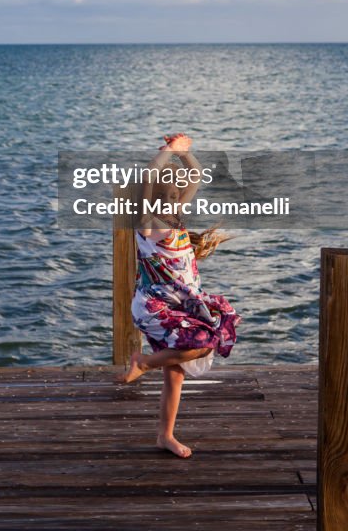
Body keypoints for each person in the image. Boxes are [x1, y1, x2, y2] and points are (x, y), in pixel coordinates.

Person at [115, 133, 240, 458]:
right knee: (201, 344)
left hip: (181, 306)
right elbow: (148, 176)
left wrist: (184, 153)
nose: (177, 195)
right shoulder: (146, 223)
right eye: (170, 191)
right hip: (156, 309)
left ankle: (164, 435)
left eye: (177, 191)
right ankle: (142, 362)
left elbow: (196, 174)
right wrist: (168, 153)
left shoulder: (175, 217)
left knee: (176, 374)